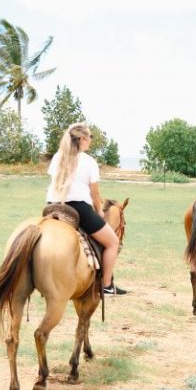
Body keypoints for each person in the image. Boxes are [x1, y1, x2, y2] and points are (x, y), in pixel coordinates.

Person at [47, 122, 127, 295]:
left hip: (52, 207)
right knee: (112, 242)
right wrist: (98, 210)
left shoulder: (57, 157)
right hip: (78, 208)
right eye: (90, 137)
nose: (91, 140)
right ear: (82, 139)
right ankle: (106, 285)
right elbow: (94, 193)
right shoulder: (88, 161)